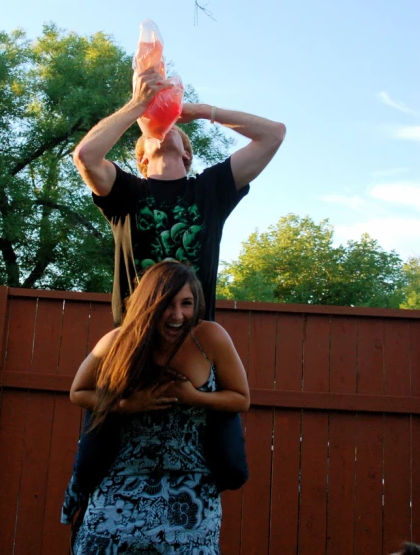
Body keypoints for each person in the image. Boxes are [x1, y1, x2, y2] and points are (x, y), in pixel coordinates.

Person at [62, 260, 250, 553]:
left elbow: (241, 398)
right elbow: (78, 391)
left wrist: (194, 397)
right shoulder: (118, 341)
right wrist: (126, 404)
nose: (178, 315)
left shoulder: (210, 337)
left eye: (186, 303)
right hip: (121, 482)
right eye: (167, 305)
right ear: (149, 303)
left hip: (192, 489)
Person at [73, 65, 286, 325]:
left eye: (172, 129)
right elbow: (85, 156)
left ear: (186, 154)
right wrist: (138, 104)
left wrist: (200, 111)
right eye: (153, 133)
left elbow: (273, 134)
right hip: (135, 340)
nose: (164, 129)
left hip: (194, 340)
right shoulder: (125, 192)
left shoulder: (211, 190)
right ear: (141, 157)